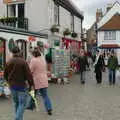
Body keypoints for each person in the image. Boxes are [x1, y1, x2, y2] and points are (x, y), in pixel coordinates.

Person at [4, 46, 34, 120]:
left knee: (16, 103)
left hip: (12, 86)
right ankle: (17, 118)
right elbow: (28, 74)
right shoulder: (23, 62)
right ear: (19, 52)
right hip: (21, 86)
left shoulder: (9, 62)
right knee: (22, 104)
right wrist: (31, 84)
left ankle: (19, 118)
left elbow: (5, 74)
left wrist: (9, 81)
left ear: (12, 53)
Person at [30, 48, 52, 115]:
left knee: (33, 93)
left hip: (36, 80)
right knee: (45, 95)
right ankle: (49, 108)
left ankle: (31, 105)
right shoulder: (43, 59)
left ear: (34, 54)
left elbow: (30, 70)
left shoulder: (33, 60)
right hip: (44, 79)